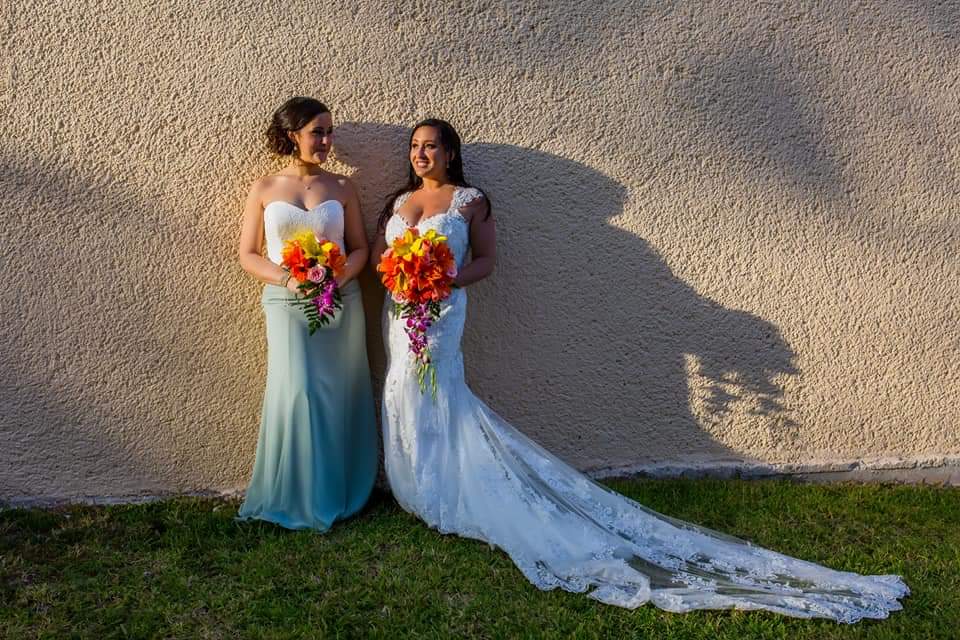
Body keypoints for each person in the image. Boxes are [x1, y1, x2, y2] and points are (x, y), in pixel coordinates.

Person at [370, 118, 908, 621]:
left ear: (451, 152)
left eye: (431, 146)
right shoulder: (400, 201)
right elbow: (378, 259)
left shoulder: (469, 202)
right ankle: (416, 487)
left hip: (443, 311)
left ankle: (449, 491)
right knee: (402, 388)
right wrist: (401, 277)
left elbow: (485, 261)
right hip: (402, 312)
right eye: (415, 147)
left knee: (441, 389)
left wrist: (445, 281)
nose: (421, 155)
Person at [236, 97, 377, 530]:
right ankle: (296, 491)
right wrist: (291, 280)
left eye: (330, 132)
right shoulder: (264, 188)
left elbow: (360, 249)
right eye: (318, 132)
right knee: (298, 391)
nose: (326, 141)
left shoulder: (342, 187)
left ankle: (338, 489)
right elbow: (247, 254)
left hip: (339, 303)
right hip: (286, 304)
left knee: (339, 394)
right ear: (292, 135)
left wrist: (337, 279)